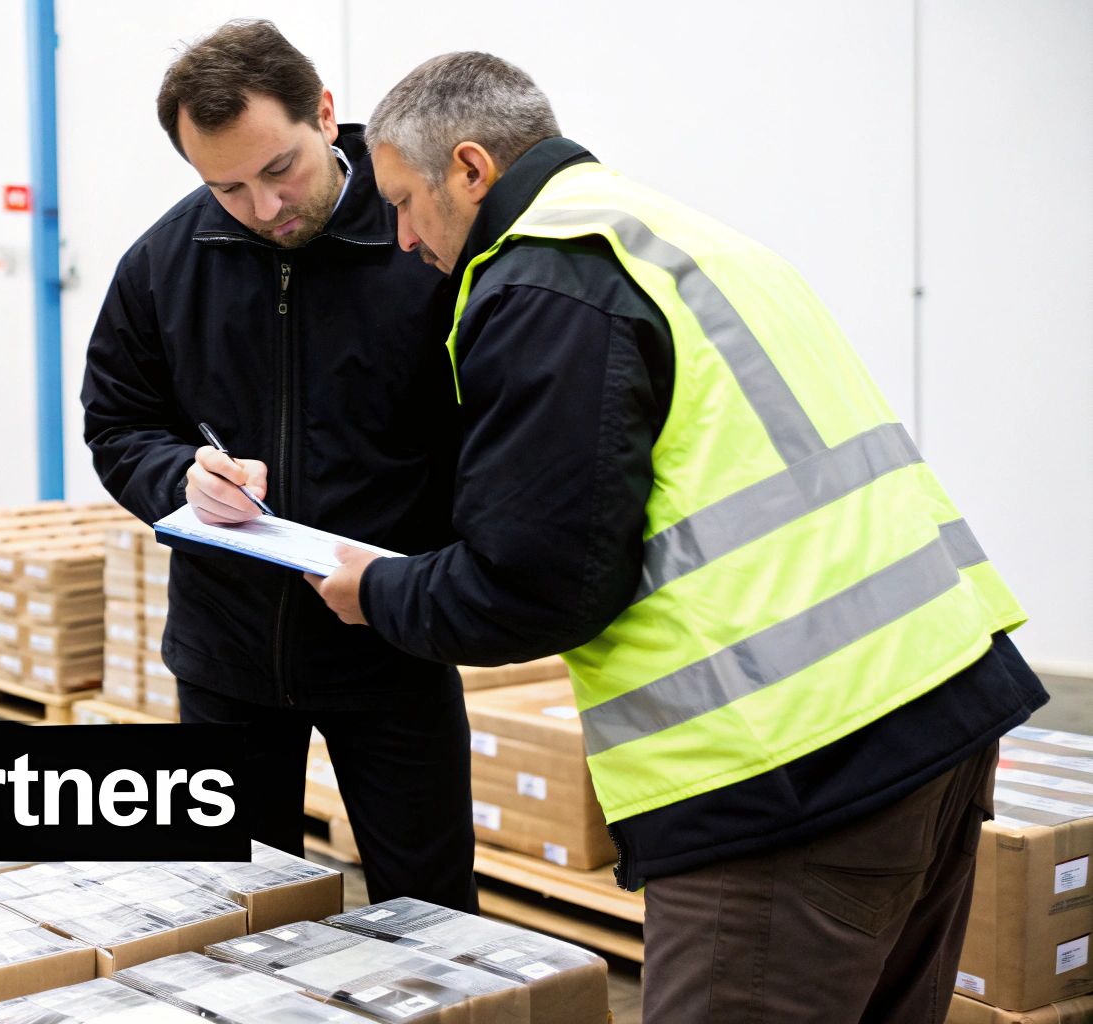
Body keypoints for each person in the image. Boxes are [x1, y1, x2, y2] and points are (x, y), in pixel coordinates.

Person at [304, 51, 1050, 1020]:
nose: (401, 237)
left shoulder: (544, 281)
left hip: (788, 773)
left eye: (405, 202)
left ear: (471, 169)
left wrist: (376, 589)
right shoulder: (678, 238)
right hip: (940, 707)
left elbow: (532, 584)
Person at [80, 20, 476, 912]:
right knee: (238, 921)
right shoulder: (162, 265)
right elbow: (119, 422)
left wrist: (450, 577)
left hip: (393, 646)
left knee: (434, 917)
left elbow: (494, 422)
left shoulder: (427, 243)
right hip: (226, 656)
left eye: (280, 169)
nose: (263, 208)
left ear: (325, 116)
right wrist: (179, 477)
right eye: (226, 186)